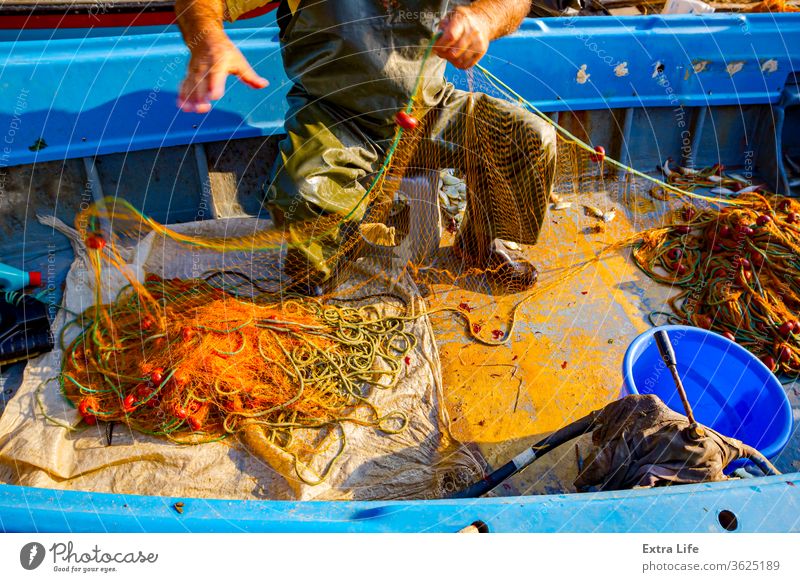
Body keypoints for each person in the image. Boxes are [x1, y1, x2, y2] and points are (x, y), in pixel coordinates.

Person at [175, 0, 556, 293]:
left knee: (531, 137)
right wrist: (208, 38)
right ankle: (322, 274)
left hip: (427, 107)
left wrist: (484, 19)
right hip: (337, 116)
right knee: (303, 198)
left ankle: (478, 247)